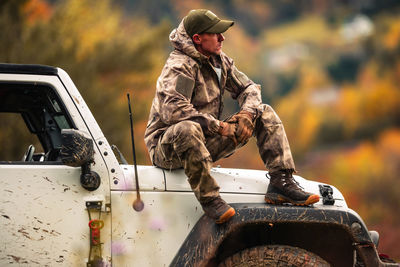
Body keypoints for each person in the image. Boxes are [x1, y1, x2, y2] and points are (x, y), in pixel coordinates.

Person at [144, 9, 320, 224]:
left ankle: (281, 182)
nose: (222, 38)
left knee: (263, 112)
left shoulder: (218, 60)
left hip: (204, 139)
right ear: (198, 39)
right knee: (187, 129)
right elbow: (174, 110)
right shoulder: (179, 66)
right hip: (169, 148)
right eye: (216, 33)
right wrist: (219, 127)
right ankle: (210, 200)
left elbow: (248, 88)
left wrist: (247, 114)